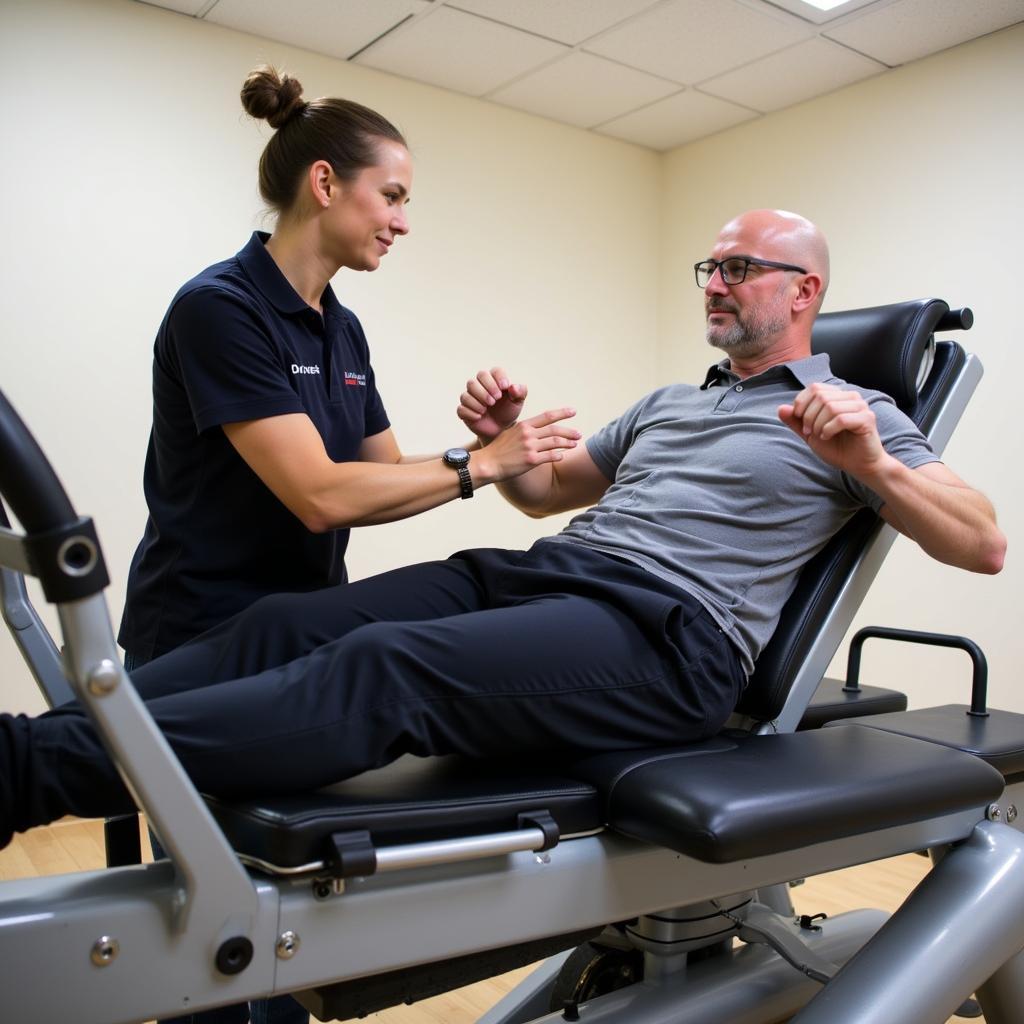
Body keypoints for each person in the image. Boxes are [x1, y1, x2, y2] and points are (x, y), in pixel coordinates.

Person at [1, 209, 1006, 860]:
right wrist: (499, 444)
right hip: (548, 575)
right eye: (710, 264)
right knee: (285, 622)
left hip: (668, 638)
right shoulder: (669, 401)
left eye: (740, 267)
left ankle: (27, 775)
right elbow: (547, 492)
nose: (714, 280)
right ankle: (41, 743)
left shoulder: (852, 407)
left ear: (804, 292)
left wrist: (870, 465)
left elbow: (980, 541)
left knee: (388, 666)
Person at [111, 66, 577, 1024]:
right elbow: (320, 494)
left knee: (273, 897)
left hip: (301, 631)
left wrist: (472, 449)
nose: (403, 221)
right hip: (198, 631)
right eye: (393, 196)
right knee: (204, 912)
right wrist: (479, 466)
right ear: (326, 184)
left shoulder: (342, 327)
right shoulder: (222, 308)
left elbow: (376, 479)